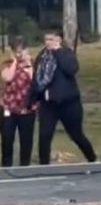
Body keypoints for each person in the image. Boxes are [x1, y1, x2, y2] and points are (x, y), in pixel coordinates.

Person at [28, 29, 97, 165]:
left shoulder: (66, 53)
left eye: (51, 39)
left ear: (59, 40)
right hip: (49, 104)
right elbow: (37, 78)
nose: (48, 43)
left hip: (69, 103)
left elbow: (70, 69)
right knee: (44, 135)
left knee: (76, 134)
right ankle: (44, 165)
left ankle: (93, 159)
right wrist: (32, 99)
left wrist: (58, 52)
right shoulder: (42, 56)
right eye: (46, 39)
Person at [1, 36, 37, 167]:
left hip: (27, 108)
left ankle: (25, 165)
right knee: (7, 138)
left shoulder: (33, 64)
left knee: (26, 139)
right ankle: (6, 165)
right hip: (9, 107)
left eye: (22, 50)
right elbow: (8, 77)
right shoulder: (7, 64)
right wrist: (15, 62)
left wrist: (28, 65)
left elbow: (35, 81)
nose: (19, 53)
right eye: (16, 51)